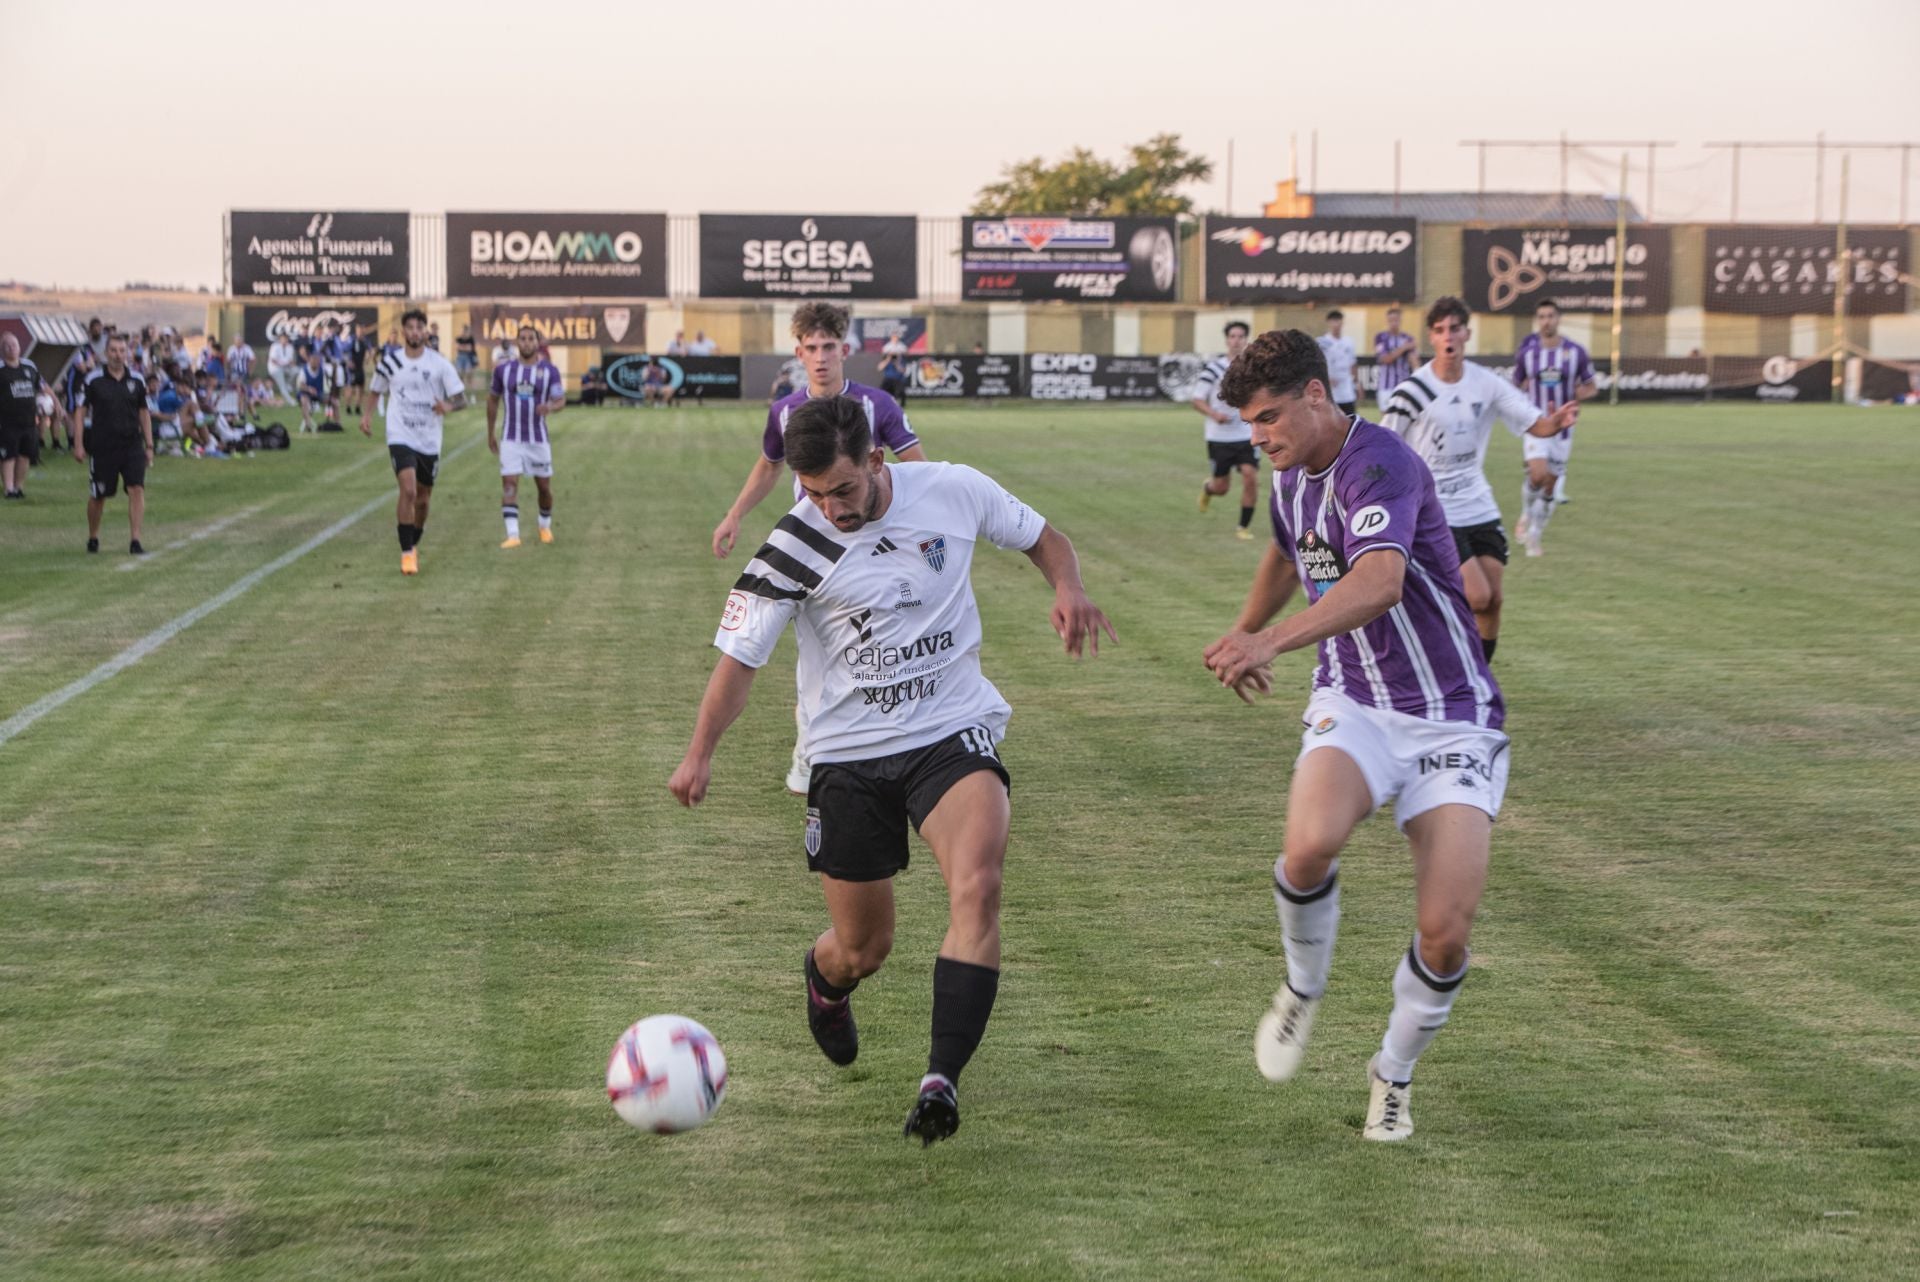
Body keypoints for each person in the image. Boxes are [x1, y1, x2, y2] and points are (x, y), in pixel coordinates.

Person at [669, 394, 1114, 1146]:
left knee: (978, 884)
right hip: (845, 756)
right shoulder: (794, 542)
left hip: (950, 728)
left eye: (841, 489)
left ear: (877, 460)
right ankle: (826, 980)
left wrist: (1068, 586)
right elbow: (739, 662)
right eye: (811, 493)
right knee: (864, 948)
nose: (830, 508)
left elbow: (1046, 537)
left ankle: (940, 1082)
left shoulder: (953, 488)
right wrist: (699, 752)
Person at [1202, 328, 1510, 1143]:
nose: (1259, 436)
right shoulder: (1289, 475)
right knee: (1306, 847)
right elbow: (1284, 548)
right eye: (1249, 424)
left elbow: (1379, 581)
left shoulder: (1381, 464)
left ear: (1316, 395)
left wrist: (1268, 644)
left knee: (1445, 935)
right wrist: (1243, 631)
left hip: (1450, 712)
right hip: (1357, 701)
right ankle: (1302, 990)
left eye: (1269, 417)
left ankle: (1392, 1075)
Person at [711, 300, 929, 796]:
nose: (821, 356)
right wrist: (735, 515)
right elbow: (768, 466)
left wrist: (922, 534)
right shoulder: (784, 412)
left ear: (845, 349)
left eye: (829, 346)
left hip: (876, 549)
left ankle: (897, 742)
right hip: (811, 556)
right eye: (812, 348)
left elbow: (918, 468)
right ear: (799, 353)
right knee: (817, 660)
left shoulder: (878, 406)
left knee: (884, 650)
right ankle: (812, 749)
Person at [1378, 298, 1576, 660]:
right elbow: (1384, 448)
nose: (1448, 336)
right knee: (1478, 595)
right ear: (1431, 338)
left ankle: (1479, 679)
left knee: (1493, 602)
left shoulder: (1485, 383)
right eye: (1439, 330)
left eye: (1455, 328)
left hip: (1478, 503)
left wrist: (1556, 422)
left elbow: (1534, 421)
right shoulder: (1412, 391)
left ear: (1467, 333)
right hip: (1433, 509)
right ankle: (1445, 661)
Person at [364, 309, 466, 576]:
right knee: (407, 491)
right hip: (400, 434)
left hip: (429, 439)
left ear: (425, 332)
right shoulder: (391, 362)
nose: (415, 332)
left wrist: (448, 405)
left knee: (422, 500)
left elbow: (461, 399)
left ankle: (415, 536)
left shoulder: (439, 364)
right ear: (404, 331)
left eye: (419, 328)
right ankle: (407, 553)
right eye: (410, 328)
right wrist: (366, 416)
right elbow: (376, 389)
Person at [1511, 299, 1597, 555]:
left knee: (1550, 484)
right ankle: (1526, 514)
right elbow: (1515, 385)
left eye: (1551, 316)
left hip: (1564, 429)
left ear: (1558, 319)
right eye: (1542, 316)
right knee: (1537, 474)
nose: (1546, 321)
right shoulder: (1528, 353)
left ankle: (1536, 533)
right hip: (1536, 424)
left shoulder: (1575, 352)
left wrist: (1576, 395)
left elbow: (1591, 386)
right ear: (1538, 320)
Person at [74, 334, 154, 554]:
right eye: (114, 351)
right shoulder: (93, 380)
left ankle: (135, 540)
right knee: (98, 496)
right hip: (103, 447)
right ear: (105, 353)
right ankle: (93, 537)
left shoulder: (137, 379)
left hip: (132, 445)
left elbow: (144, 413)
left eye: (122, 350)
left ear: (127, 353)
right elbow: (80, 413)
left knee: (136, 488)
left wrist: (149, 445)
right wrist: (78, 444)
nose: (118, 355)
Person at [486, 324, 565, 549]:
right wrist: (490, 432)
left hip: (538, 439)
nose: (527, 342)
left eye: (531, 338)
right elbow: (492, 399)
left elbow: (560, 399)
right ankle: (513, 535)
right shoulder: (503, 370)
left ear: (538, 342)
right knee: (510, 485)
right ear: (517, 342)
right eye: (523, 338)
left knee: (544, 489)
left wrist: (549, 406)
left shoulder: (550, 370)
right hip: (511, 438)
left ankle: (544, 526)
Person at [1189, 320, 1260, 540]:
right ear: (1227, 340)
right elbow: (1197, 399)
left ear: (1246, 340)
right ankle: (1209, 489)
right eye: (1233, 336)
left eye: (1241, 336)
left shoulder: (1252, 370)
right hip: (1219, 437)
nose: (1236, 341)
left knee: (1250, 476)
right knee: (1222, 487)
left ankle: (1243, 527)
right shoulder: (1214, 368)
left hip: (1246, 434)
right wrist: (1214, 414)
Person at [3, 334, 68, 499]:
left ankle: (19, 488)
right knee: (8, 456)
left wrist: (57, 403)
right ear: (2, 349)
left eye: (14, 344)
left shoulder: (29, 366)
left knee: (25, 454)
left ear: (20, 347)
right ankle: (9, 489)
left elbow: (44, 386)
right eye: (7, 345)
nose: (11, 347)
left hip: (29, 421)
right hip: (7, 422)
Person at [1372, 307, 1417, 408]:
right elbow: (1386, 359)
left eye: (1396, 320)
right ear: (1387, 321)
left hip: (1404, 386)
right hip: (1385, 387)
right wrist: (1404, 347)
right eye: (1391, 320)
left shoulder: (1408, 338)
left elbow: (1414, 361)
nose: (1393, 323)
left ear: (1400, 320)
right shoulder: (1381, 337)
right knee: (1386, 421)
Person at [1317, 310, 1358, 416]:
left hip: (1347, 389)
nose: (1336, 324)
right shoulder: (1323, 342)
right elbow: (1318, 364)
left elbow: (1352, 364)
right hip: (1331, 390)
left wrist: (1357, 383)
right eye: (1333, 321)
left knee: (1349, 418)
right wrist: (1326, 378)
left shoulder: (1349, 342)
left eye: (1338, 321)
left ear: (1342, 322)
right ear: (1328, 323)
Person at [297, 348, 337, 432]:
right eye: (313, 359)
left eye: (317, 359)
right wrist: (308, 389)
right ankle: (308, 425)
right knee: (305, 402)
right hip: (305, 394)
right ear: (310, 360)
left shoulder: (322, 370)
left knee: (334, 402)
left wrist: (334, 369)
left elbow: (332, 379)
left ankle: (338, 424)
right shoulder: (304, 370)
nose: (315, 361)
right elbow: (300, 385)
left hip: (318, 394)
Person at [224, 336, 255, 421]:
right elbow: (228, 361)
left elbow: (253, 359)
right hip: (234, 373)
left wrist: (250, 370)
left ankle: (241, 411)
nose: (238, 343)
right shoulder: (231, 349)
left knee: (243, 392)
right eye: (237, 341)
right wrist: (228, 372)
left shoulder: (247, 348)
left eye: (239, 341)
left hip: (244, 373)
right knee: (238, 391)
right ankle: (239, 412)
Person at [268, 330, 299, 411]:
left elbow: (291, 361)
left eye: (286, 338)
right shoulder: (275, 346)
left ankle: (288, 384)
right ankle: (290, 401)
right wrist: (283, 364)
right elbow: (273, 361)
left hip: (285, 367)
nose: (285, 340)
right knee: (282, 385)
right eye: (283, 338)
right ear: (280, 339)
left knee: (296, 370)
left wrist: (292, 365)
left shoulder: (290, 347)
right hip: (275, 368)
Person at [454, 325, 479, 391]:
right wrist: (465, 347)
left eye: (466, 331)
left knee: (469, 374)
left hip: (468, 357)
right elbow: (457, 347)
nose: (464, 332)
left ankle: (471, 390)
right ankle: (461, 388)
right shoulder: (459, 338)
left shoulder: (471, 339)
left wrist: (462, 347)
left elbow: (469, 349)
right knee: (459, 373)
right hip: (460, 357)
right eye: (463, 331)